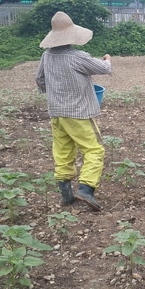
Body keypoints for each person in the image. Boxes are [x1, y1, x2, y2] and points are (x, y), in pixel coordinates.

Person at [35, 11, 112, 212]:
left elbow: (40, 80)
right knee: (94, 150)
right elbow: (104, 68)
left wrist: (54, 90)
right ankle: (86, 188)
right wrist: (108, 59)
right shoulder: (78, 57)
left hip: (57, 113)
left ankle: (66, 193)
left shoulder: (46, 56)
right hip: (79, 113)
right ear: (72, 36)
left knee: (62, 151)